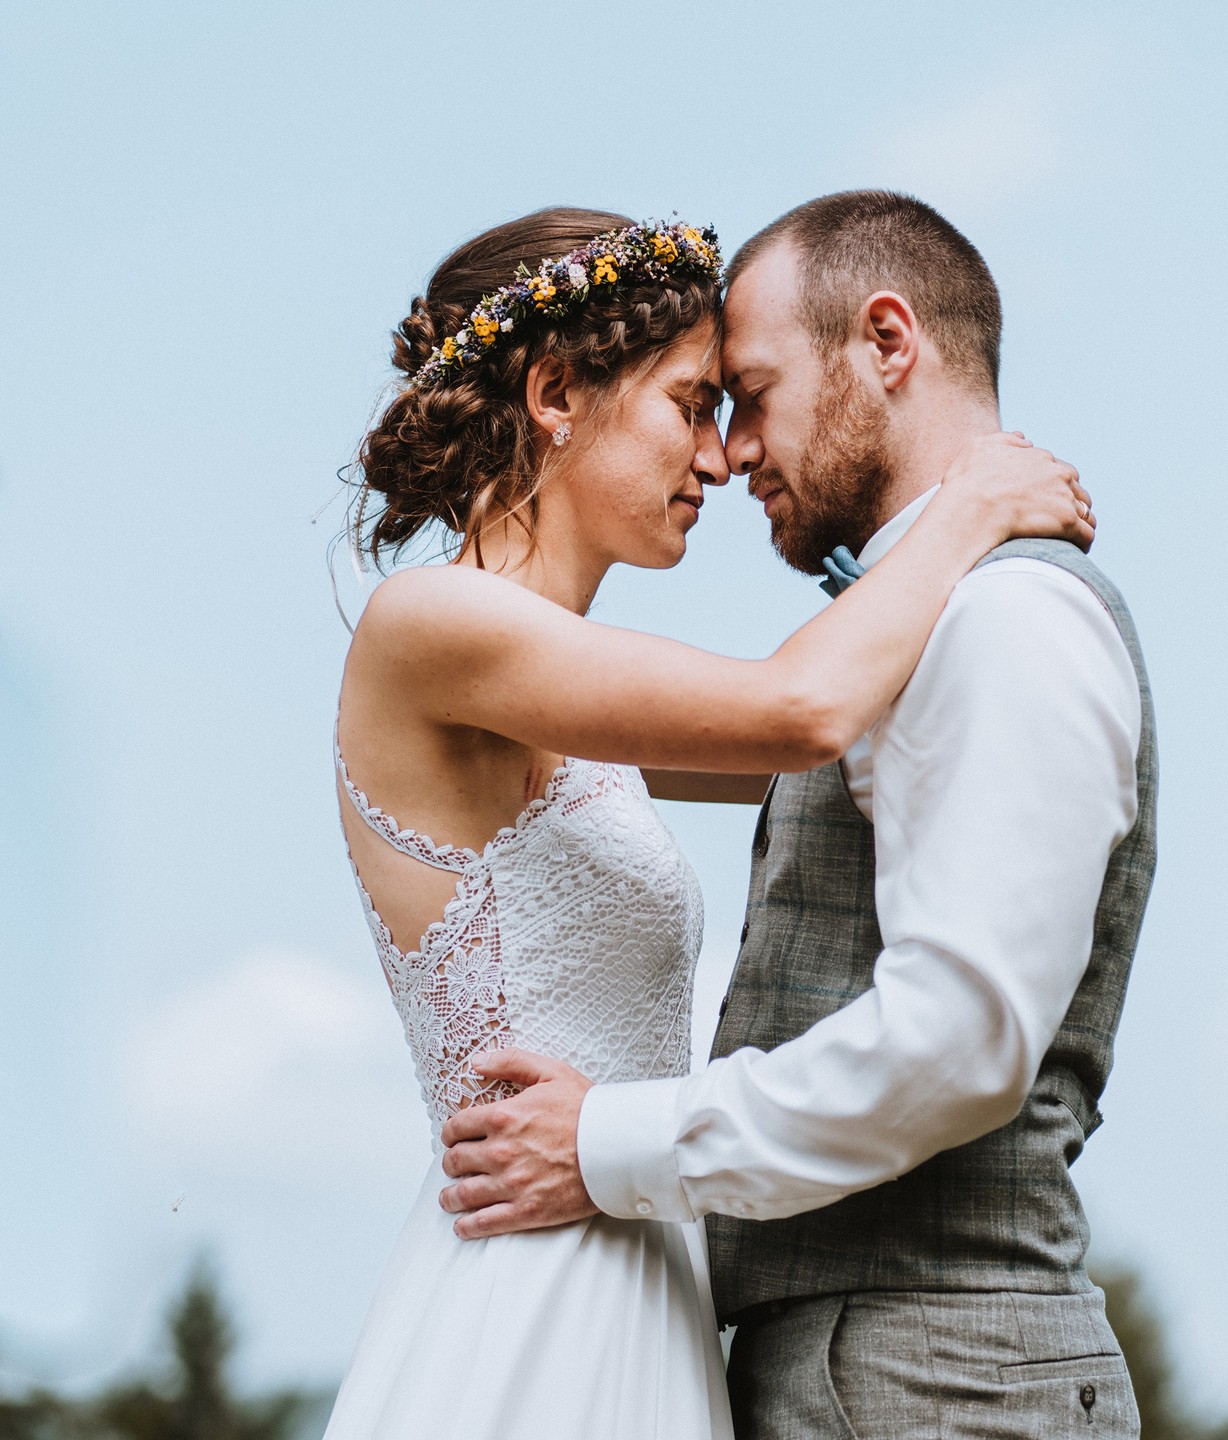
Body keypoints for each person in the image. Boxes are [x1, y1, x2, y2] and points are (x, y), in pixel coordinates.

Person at [323, 205, 1094, 1440]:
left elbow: (841, 756)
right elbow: (802, 713)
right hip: (539, 1274)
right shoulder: (433, 625)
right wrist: (973, 504)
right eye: (691, 404)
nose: (724, 459)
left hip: (634, 1250)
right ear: (559, 392)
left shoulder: (569, 697)